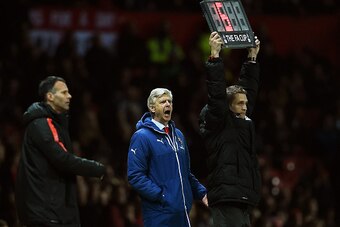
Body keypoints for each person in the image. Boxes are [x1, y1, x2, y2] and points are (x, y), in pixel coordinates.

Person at [15, 76, 106, 227]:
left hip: (50, 210)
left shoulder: (52, 123)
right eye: (64, 93)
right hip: (46, 212)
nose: (69, 96)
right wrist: (96, 168)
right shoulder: (43, 123)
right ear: (50, 96)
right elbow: (62, 159)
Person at [199, 32, 262, 227]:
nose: (245, 107)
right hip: (226, 197)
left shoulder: (242, 122)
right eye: (240, 104)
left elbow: (248, 90)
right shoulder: (220, 121)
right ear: (228, 107)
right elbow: (217, 92)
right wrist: (215, 56)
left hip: (242, 197)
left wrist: (252, 58)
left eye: (246, 104)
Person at [127, 88, 208, 227]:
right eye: (163, 101)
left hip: (182, 214)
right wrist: (161, 196)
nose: (168, 104)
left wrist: (201, 192)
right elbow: (135, 176)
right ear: (152, 108)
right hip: (159, 216)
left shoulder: (178, 135)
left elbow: (185, 173)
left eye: (170, 101)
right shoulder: (142, 137)